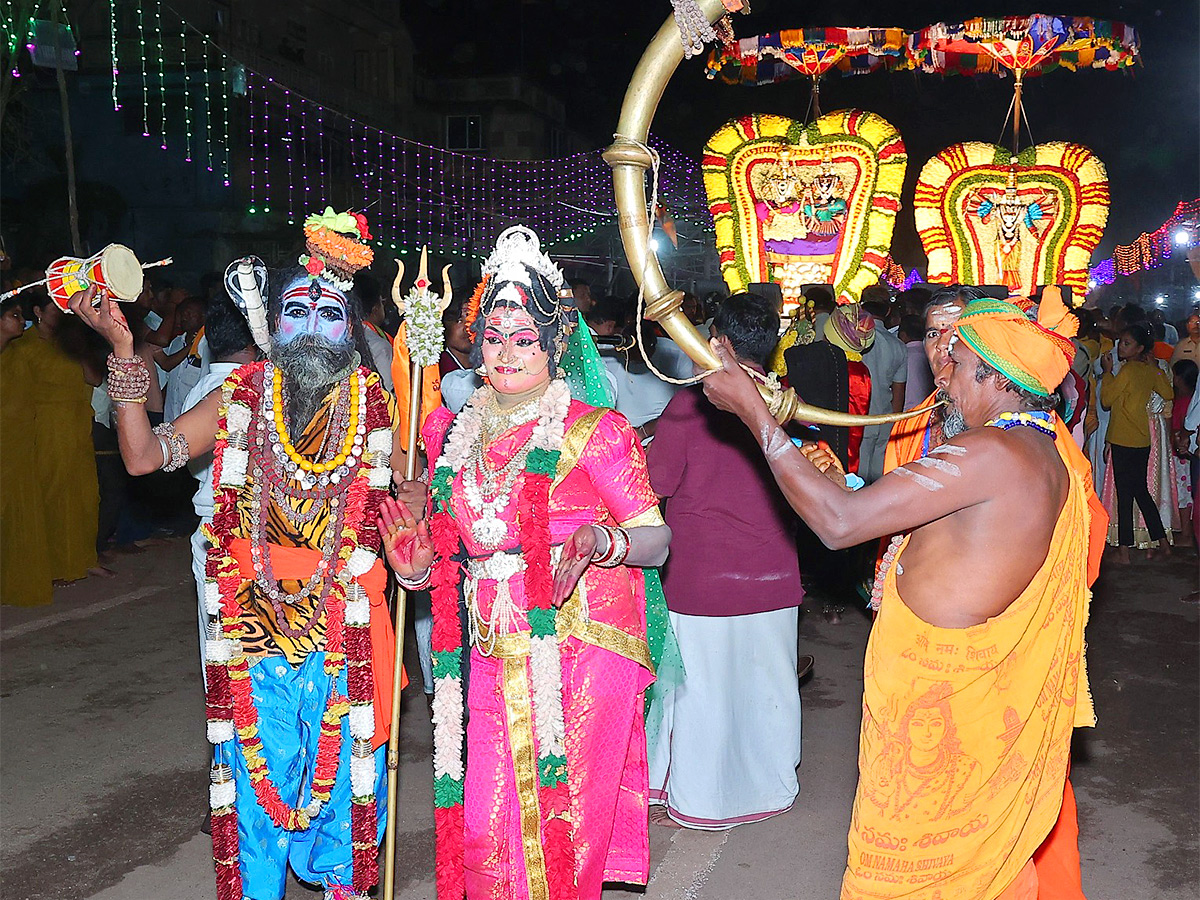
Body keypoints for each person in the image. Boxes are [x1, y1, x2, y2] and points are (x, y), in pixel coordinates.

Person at [701, 294, 1104, 899]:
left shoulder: (990, 452)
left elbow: (839, 524)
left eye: (958, 363)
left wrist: (757, 419)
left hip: (943, 721)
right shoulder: (1040, 449)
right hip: (958, 709)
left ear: (993, 377)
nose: (945, 376)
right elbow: (907, 520)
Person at [70, 208, 400, 900]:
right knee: (256, 803)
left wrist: (413, 539)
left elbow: (411, 506)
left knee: (343, 798)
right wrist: (125, 350)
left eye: (330, 312)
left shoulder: (375, 408)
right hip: (253, 632)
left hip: (342, 630)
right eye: (297, 310)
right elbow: (139, 456)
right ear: (273, 325)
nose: (311, 327)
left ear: (354, 330)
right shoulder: (240, 397)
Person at [381, 225, 673, 900]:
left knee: (561, 831)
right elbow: (454, 544)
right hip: (487, 646)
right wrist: (417, 570)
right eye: (492, 337)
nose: (506, 353)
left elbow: (656, 540)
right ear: (473, 341)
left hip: (581, 646)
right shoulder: (453, 436)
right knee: (485, 824)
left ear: (554, 343)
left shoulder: (596, 433)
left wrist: (604, 545)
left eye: (523, 339)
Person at [646, 292, 804, 830]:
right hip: (775, 575)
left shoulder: (690, 405)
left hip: (702, 577)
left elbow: (655, 485)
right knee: (766, 691)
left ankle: (701, 798)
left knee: (703, 694)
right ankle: (768, 789)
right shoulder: (786, 404)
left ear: (720, 344)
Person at [180, 293, 258, 679]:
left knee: (219, 653)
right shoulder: (242, 392)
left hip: (210, 532)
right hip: (240, 533)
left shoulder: (200, 390)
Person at [5, 291, 103, 588]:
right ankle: (56, 565)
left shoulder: (69, 343)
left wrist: (77, 348)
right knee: (54, 495)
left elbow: (95, 379)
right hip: (44, 429)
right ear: (38, 311)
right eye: (55, 309)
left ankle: (84, 559)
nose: (62, 314)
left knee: (86, 495)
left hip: (76, 427)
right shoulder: (22, 347)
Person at [1100, 323, 1174, 563]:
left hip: (1123, 439)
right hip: (1141, 439)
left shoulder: (1128, 371)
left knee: (1125, 494)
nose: (1122, 346)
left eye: (1127, 343)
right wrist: (1157, 369)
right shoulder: (1149, 371)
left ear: (1140, 348)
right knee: (1141, 492)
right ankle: (1163, 542)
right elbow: (1168, 393)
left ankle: (1124, 551)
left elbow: (1107, 400)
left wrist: (1108, 373)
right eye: (1121, 342)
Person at [0, 294, 54, 607]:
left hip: (20, 444)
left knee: (17, 512)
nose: (22, 321)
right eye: (15, 315)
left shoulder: (20, 354)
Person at [860, 294, 908, 482]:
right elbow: (899, 391)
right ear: (888, 311)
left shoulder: (857, 342)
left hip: (860, 417)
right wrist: (894, 423)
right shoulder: (898, 345)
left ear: (862, 308)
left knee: (858, 478)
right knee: (880, 478)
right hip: (885, 417)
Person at [1171, 359, 1197, 547]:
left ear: (1179, 379)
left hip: (1184, 454)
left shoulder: (1183, 403)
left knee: (1184, 494)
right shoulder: (1190, 399)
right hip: (1190, 452)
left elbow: (1180, 426)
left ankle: (1187, 535)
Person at [897, 314, 932, 410]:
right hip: (929, 410)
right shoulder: (931, 354)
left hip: (907, 412)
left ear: (903, 335)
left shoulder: (903, 355)